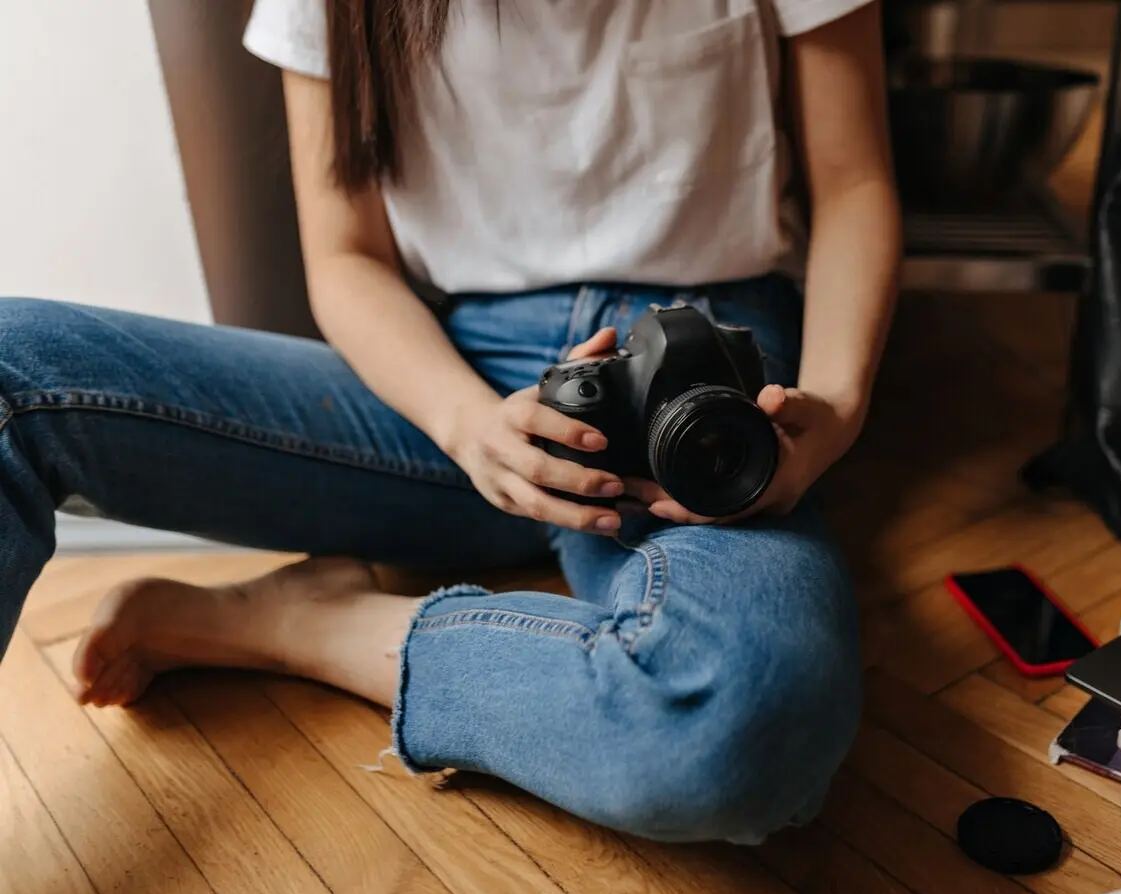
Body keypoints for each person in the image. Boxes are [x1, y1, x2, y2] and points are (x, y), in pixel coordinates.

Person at [0, 0, 900, 844]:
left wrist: (839, 407)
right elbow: (347, 256)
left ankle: (300, 626)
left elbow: (855, 182)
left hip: (703, 382)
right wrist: (469, 425)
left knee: (734, 728)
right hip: (446, 376)